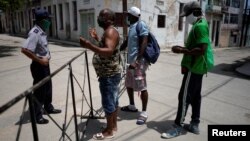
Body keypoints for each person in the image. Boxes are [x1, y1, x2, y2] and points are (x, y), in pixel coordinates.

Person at [161, 1, 214, 139]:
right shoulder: (201, 23)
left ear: (194, 12)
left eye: (187, 15)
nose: (186, 18)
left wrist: (181, 50)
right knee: (196, 96)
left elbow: (202, 50)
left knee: (184, 97)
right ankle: (194, 124)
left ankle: (178, 126)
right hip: (199, 68)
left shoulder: (200, 26)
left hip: (195, 68)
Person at [79, 8, 121, 140]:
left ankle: (109, 131)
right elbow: (106, 47)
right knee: (113, 102)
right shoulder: (108, 32)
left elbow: (108, 51)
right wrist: (96, 38)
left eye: (103, 16)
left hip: (108, 75)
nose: (100, 18)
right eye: (100, 16)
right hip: (110, 73)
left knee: (108, 103)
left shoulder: (110, 31)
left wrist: (88, 45)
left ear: (111, 20)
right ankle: (113, 126)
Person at [21, 8, 61, 124]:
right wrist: (40, 60)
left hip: (44, 65)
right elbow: (25, 50)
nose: (49, 21)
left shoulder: (42, 31)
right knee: (39, 91)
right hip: (39, 66)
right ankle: (37, 115)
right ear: (42, 20)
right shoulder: (35, 33)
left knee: (48, 87)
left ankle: (48, 107)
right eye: (47, 19)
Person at [120, 6, 150, 125]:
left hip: (139, 62)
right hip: (130, 61)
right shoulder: (131, 27)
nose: (126, 17)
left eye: (128, 15)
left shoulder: (140, 25)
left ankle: (144, 112)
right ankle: (132, 106)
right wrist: (117, 50)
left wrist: (137, 60)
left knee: (141, 86)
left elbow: (144, 41)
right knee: (129, 84)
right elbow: (127, 42)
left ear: (132, 16)